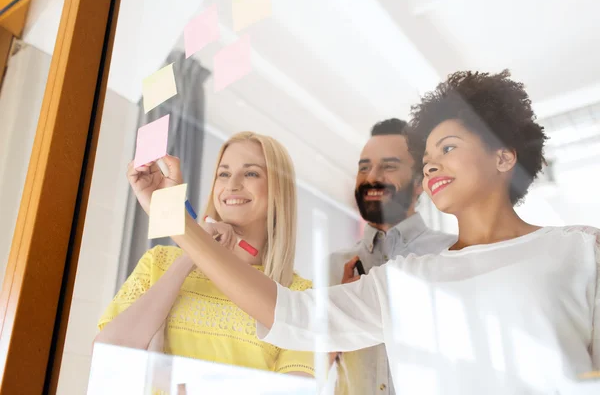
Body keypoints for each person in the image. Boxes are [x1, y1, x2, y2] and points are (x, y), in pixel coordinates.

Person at [127, 71, 599, 394]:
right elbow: (290, 313)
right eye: (429, 155)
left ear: (504, 156)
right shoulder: (406, 280)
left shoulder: (580, 250)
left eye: (449, 147)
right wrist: (171, 213)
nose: (432, 162)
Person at [95, 131, 315, 378]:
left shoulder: (299, 295)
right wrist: (193, 253)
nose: (232, 185)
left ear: (279, 190)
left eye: (251, 173)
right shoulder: (158, 262)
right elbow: (109, 357)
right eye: (224, 174)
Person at [329, 118, 455, 395]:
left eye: (388, 166)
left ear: (420, 181)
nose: (372, 177)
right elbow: (309, 366)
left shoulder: (453, 254)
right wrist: (341, 309)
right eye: (364, 167)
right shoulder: (334, 266)